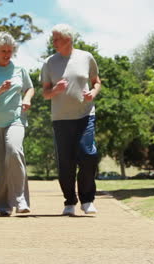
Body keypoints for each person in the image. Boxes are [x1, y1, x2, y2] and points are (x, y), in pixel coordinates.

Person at [41, 24, 102, 215]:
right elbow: (45, 93)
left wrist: (92, 93)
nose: (53, 42)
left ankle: (87, 199)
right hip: (61, 119)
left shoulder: (86, 57)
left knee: (88, 155)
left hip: (85, 115)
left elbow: (96, 82)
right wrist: (55, 90)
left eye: (56, 38)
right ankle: (69, 201)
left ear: (68, 40)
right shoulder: (49, 63)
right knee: (66, 163)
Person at [0, 31, 35, 216]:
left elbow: (30, 88)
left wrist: (27, 99)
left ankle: (21, 200)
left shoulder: (19, 68)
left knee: (14, 150)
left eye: (10, 50)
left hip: (15, 119)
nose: (7, 54)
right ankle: (3, 205)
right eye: (3, 50)